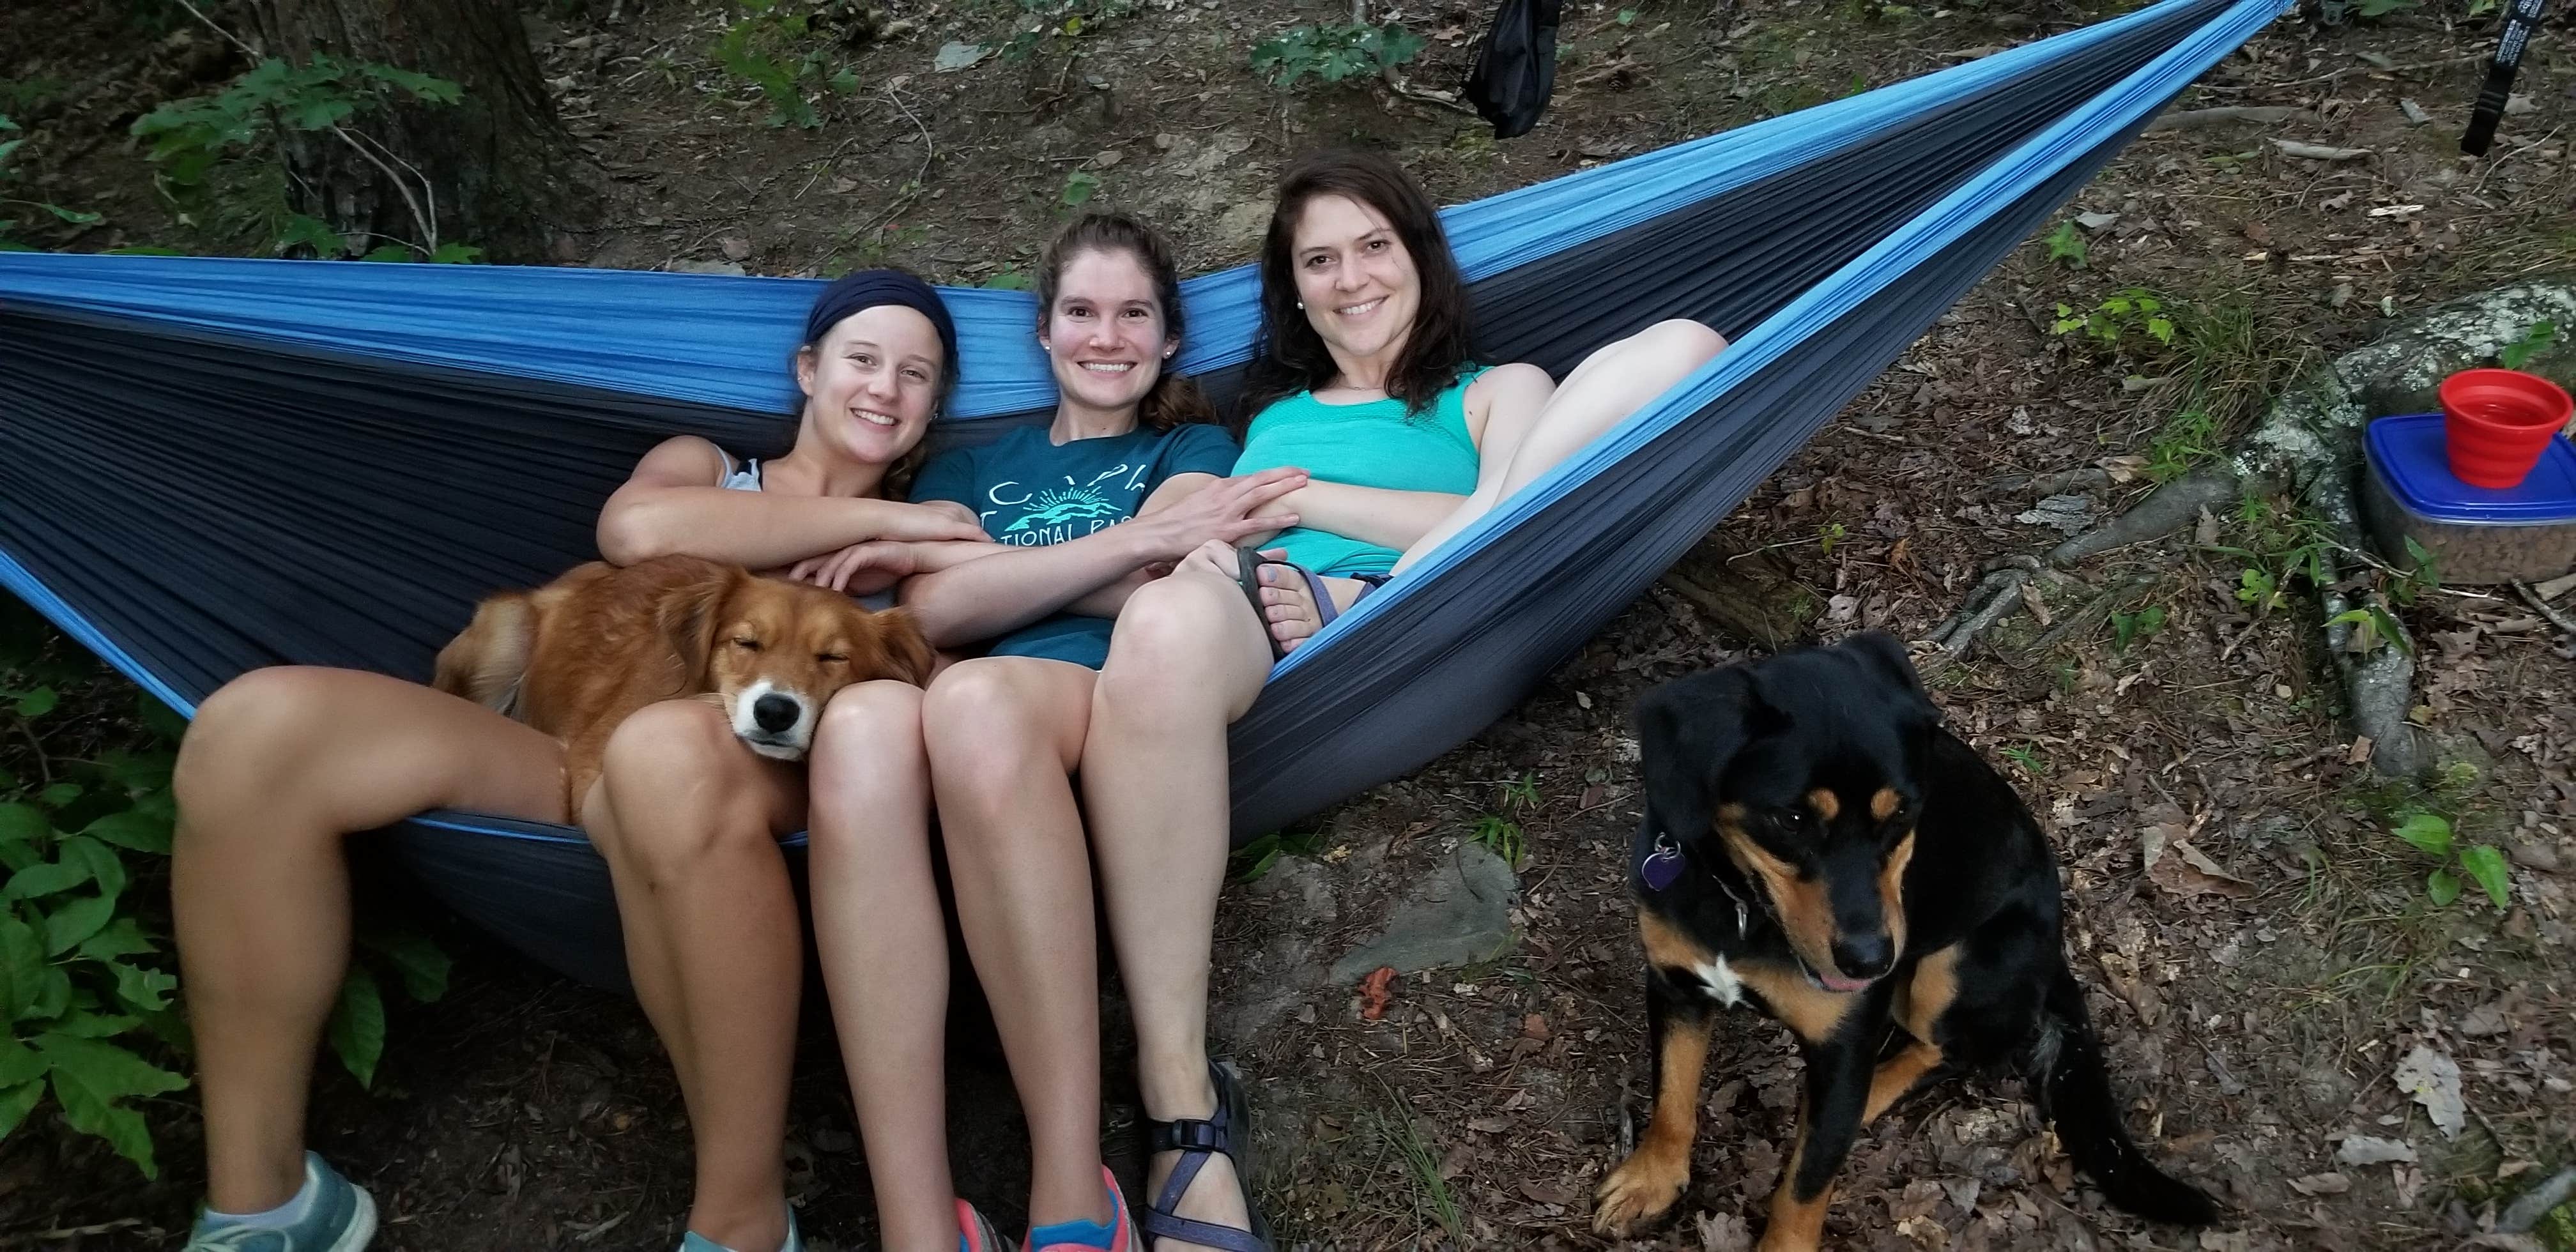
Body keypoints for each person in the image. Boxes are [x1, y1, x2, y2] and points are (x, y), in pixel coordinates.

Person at [172, 270, 984, 1252]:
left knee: (662, 764)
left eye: (917, 374)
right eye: (863, 359)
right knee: (249, 728)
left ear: (937, 406)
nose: (885, 388)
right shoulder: (710, 466)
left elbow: (952, 674)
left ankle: (743, 1223)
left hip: (721, 786)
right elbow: (637, 533)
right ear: (808, 369)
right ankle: (265, 1204)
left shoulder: (941, 532)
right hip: (559, 758)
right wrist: (880, 520)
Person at [1054, 148, 1729, 1252]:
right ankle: (1180, 1096)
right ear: (1295, 291)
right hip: (1256, 616)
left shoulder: (1498, 391)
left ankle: (1369, 604)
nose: (1350, 276)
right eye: (1319, 259)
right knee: (1164, 622)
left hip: (1416, 615)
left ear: (1419, 257)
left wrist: (1323, 524)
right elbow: (1189, 544)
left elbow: (1519, 515)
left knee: (1688, 348)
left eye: (1374, 245)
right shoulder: (1259, 423)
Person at [795, 213, 1301, 1252]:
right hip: (970, 712)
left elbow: (1173, 574)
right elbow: (928, 615)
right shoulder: (973, 463)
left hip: (1108, 699)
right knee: (910, 715)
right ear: (1043, 332)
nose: (1105, 336)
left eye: (1134, 315)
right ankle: (966, 1219)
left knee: (971, 699)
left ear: (1168, 341)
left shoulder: (1193, 444)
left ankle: (1071, 1200)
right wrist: (1132, 543)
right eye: (1081, 311)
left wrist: (1011, 578)